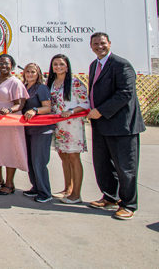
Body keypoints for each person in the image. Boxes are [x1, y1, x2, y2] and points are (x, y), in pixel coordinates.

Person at [86, 32, 145, 220]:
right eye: (95, 44)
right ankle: (110, 197)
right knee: (103, 164)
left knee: (125, 167)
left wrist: (101, 110)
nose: (99, 47)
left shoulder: (122, 65)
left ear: (109, 44)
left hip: (122, 126)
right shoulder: (94, 65)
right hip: (101, 124)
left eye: (102, 43)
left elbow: (125, 93)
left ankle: (128, 204)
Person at [0, 54, 28, 195]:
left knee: (8, 150)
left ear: (11, 65)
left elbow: (20, 104)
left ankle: (9, 183)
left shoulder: (15, 82)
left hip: (8, 121)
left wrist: (9, 110)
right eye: (1, 63)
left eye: (6, 63)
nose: (3, 66)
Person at [46, 54, 89, 204]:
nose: (58, 67)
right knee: (63, 156)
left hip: (72, 125)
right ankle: (67, 188)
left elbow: (85, 103)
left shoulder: (75, 83)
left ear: (67, 66)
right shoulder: (51, 83)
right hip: (57, 125)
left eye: (61, 64)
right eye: (55, 64)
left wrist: (71, 111)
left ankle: (76, 194)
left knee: (73, 157)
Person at [21, 63, 54, 203]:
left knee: (39, 161)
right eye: (27, 71)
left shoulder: (42, 88)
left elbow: (47, 107)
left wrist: (35, 110)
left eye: (33, 72)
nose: (30, 74)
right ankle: (35, 186)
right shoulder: (24, 87)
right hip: (28, 129)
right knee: (30, 161)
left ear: (38, 73)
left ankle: (45, 192)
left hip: (41, 130)